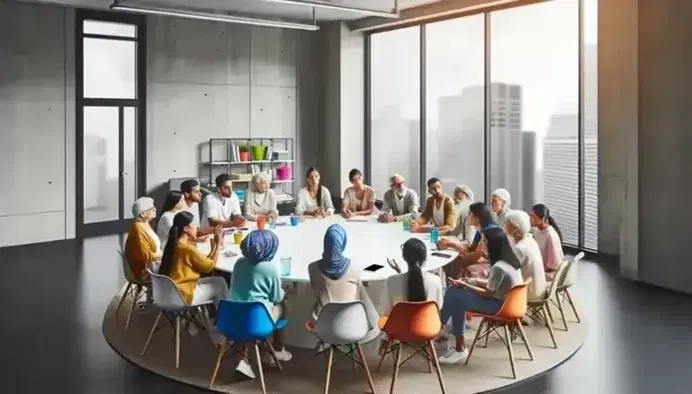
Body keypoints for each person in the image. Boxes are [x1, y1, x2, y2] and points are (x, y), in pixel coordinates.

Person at [438, 226, 524, 364]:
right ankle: (451, 338)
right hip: (510, 302)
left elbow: (488, 293)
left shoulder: (498, 266)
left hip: (499, 305)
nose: (480, 244)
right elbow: (493, 284)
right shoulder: (509, 258)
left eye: (483, 241)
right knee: (455, 295)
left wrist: (466, 285)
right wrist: (468, 281)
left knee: (454, 294)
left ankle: (443, 328)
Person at [229, 230, 292, 377]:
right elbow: (276, 297)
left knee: (245, 309)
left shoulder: (239, 263)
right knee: (283, 303)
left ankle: (243, 359)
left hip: (232, 318)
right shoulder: (269, 269)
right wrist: (284, 291)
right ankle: (276, 349)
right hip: (258, 321)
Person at [308, 224, 380, 339]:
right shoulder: (355, 267)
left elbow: (315, 288)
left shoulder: (312, 268)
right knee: (360, 288)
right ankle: (372, 327)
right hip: (353, 325)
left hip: (322, 325)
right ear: (343, 243)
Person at [379, 238, 444, 354]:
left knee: (383, 318)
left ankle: (384, 343)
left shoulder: (392, 281)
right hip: (427, 327)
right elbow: (438, 308)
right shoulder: (436, 281)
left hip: (399, 330)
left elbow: (387, 312)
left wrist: (399, 274)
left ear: (404, 257)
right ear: (425, 258)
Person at [158, 211, 228, 318]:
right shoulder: (187, 249)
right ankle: (223, 322)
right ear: (186, 228)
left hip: (171, 291)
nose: (196, 227)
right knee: (218, 287)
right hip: (183, 294)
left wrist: (214, 248)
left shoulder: (175, 244)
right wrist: (218, 244)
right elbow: (209, 267)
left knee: (220, 280)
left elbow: (204, 262)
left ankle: (221, 319)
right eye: (194, 224)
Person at [437, 202, 497, 279]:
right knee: (456, 258)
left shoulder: (488, 232)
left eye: (470, 214)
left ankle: (454, 283)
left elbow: (475, 257)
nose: (467, 217)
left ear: (477, 218)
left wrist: (452, 246)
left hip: (492, 265)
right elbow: (471, 248)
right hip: (486, 260)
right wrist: (449, 244)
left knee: (457, 260)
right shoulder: (480, 231)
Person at [505, 210, 546, 301]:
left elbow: (506, 273)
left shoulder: (519, 249)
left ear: (515, 228)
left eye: (507, 223)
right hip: (539, 288)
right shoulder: (529, 239)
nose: (504, 225)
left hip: (529, 293)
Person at [124, 197, 161, 282]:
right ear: (143, 214)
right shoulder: (138, 229)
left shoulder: (144, 224)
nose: (155, 209)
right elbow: (145, 255)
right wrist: (161, 257)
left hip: (153, 261)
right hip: (146, 269)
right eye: (152, 208)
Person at [530, 203, 564, 278]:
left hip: (549, 274)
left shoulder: (550, 236)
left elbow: (553, 265)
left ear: (542, 219)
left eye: (533, 217)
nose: (530, 219)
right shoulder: (538, 230)